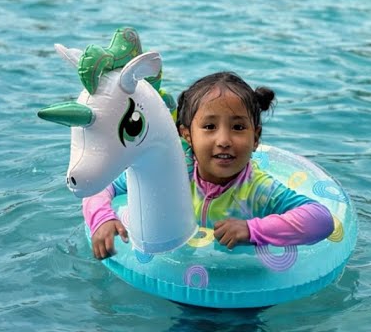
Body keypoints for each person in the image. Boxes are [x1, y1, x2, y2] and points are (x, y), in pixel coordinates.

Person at [86, 72, 335, 259]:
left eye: (238, 128)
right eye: (209, 127)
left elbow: (321, 220)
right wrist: (102, 219)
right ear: (186, 135)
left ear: (255, 138)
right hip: (176, 275)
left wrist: (252, 230)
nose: (224, 140)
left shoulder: (259, 190)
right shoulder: (174, 171)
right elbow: (100, 186)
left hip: (240, 290)